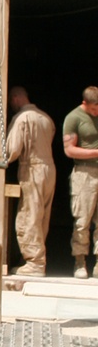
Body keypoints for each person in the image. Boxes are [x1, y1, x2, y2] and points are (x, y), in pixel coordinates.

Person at [6, 87, 56, 276]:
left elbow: (12, 150)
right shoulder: (46, 118)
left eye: (11, 100)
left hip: (32, 168)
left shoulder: (22, 118)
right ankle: (35, 257)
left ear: (16, 98)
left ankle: (34, 262)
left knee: (29, 214)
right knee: (42, 215)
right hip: (49, 168)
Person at [62, 86, 98, 278]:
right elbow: (69, 150)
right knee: (82, 220)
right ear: (85, 103)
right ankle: (80, 262)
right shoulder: (74, 118)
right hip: (85, 172)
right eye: (94, 108)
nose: (97, 112)